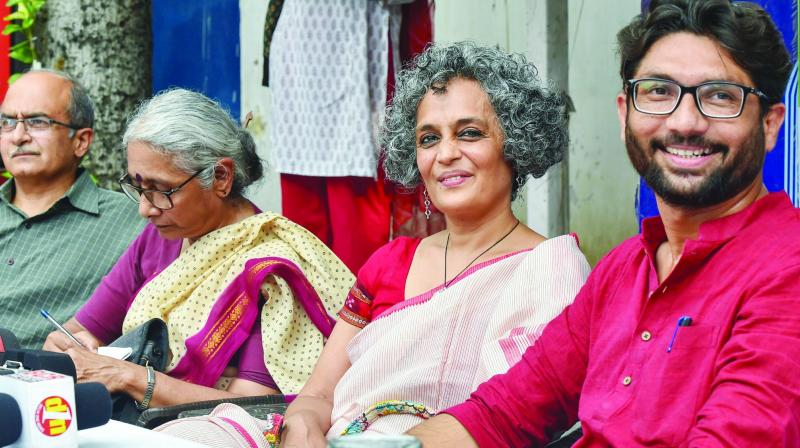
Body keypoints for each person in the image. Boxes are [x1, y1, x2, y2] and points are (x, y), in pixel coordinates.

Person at [408, 1, 800, 446]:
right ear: (624, 113)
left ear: (770, 125)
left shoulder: (789, 267)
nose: (686, 122)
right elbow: (501, 413)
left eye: (720, 96)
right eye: (658, 92)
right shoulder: (623, 269)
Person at [279, 41, 590, 446]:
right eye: (428, 139)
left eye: (470, 133)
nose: (445, 154)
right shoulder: (389, 262)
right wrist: (300, 429)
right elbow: (318, 395)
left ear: (515, 144)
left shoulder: (551, 267)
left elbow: (519, 415)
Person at [43, 88, 354, 410]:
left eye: (161, 190)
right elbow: (82, 330)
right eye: (138, 187)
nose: (145, 209)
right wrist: (72, 345)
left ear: (221, 177)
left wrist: (132, 378)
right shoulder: (160, 237)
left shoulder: (269, 269)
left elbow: (256, 407)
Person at [0, 70, 144, 348]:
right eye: (7, 123)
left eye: (37, 122)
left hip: (43, 383)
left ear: (81, 141)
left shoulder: (133, 221)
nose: (18, 136)